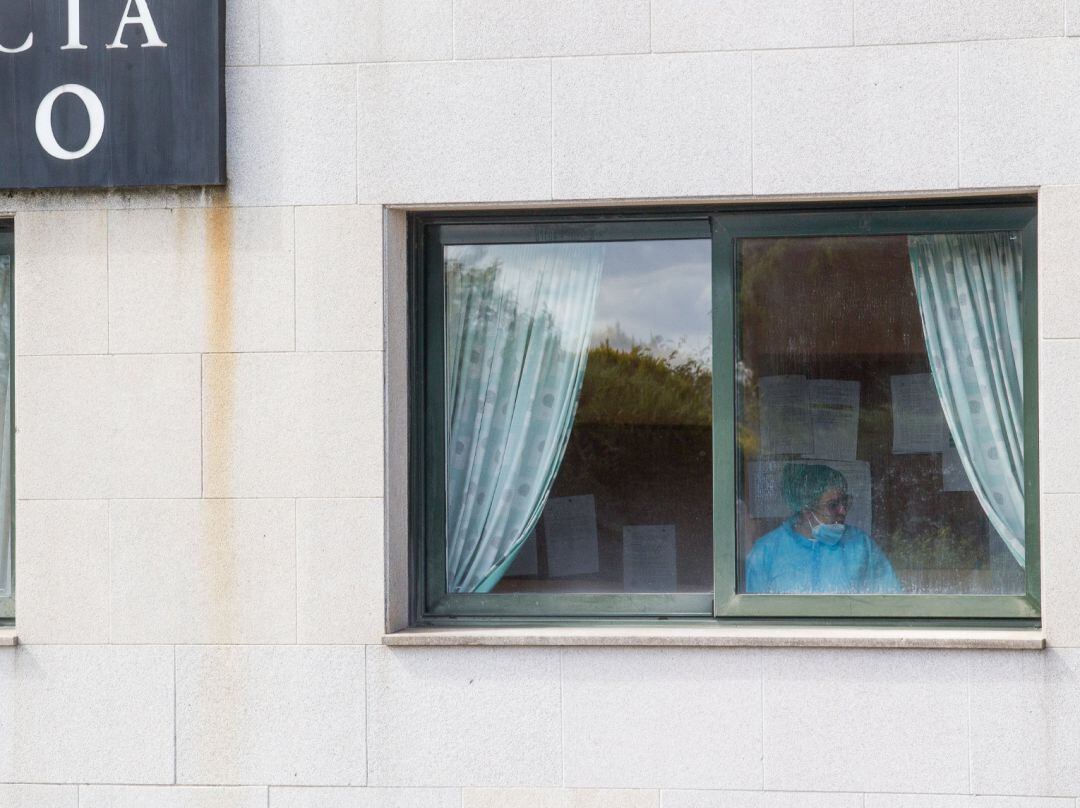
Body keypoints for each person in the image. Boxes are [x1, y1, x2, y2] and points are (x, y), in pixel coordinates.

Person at [745, 463, 900, 594]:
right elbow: (754, 616)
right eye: (833, 505)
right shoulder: (767, 551)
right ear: (806, 508)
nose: (842, 511)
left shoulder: (860, 545)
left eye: (844, 501)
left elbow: (889, 596)